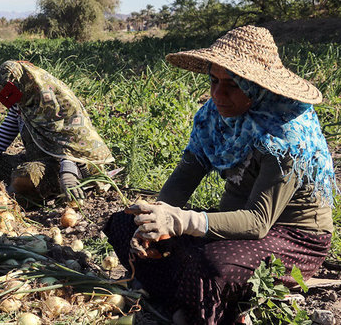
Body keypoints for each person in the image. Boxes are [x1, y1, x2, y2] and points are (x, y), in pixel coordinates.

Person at [103, 26, 336, 325]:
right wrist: (156, 217)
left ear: (256, 86)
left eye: (232, 84)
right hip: (235, 223)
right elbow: (186, 175)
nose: (217, 93)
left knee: (210, 264)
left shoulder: (288, 134)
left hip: (294, 237)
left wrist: (181, 220)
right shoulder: (213, 117)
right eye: (214, 80)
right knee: (126, 224)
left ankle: (185, 301)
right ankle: (183, 299)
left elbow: (257, 222)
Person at [0, 60, 114, 200]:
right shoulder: (23, 102)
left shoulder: (54, 101)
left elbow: (68, 139)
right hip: (38, 158)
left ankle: (30, 191)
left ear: (24, 83)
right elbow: (3, 136)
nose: (10, 97)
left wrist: (68, 173)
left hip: (69, 163)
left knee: (27, 175)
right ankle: (22, 190)